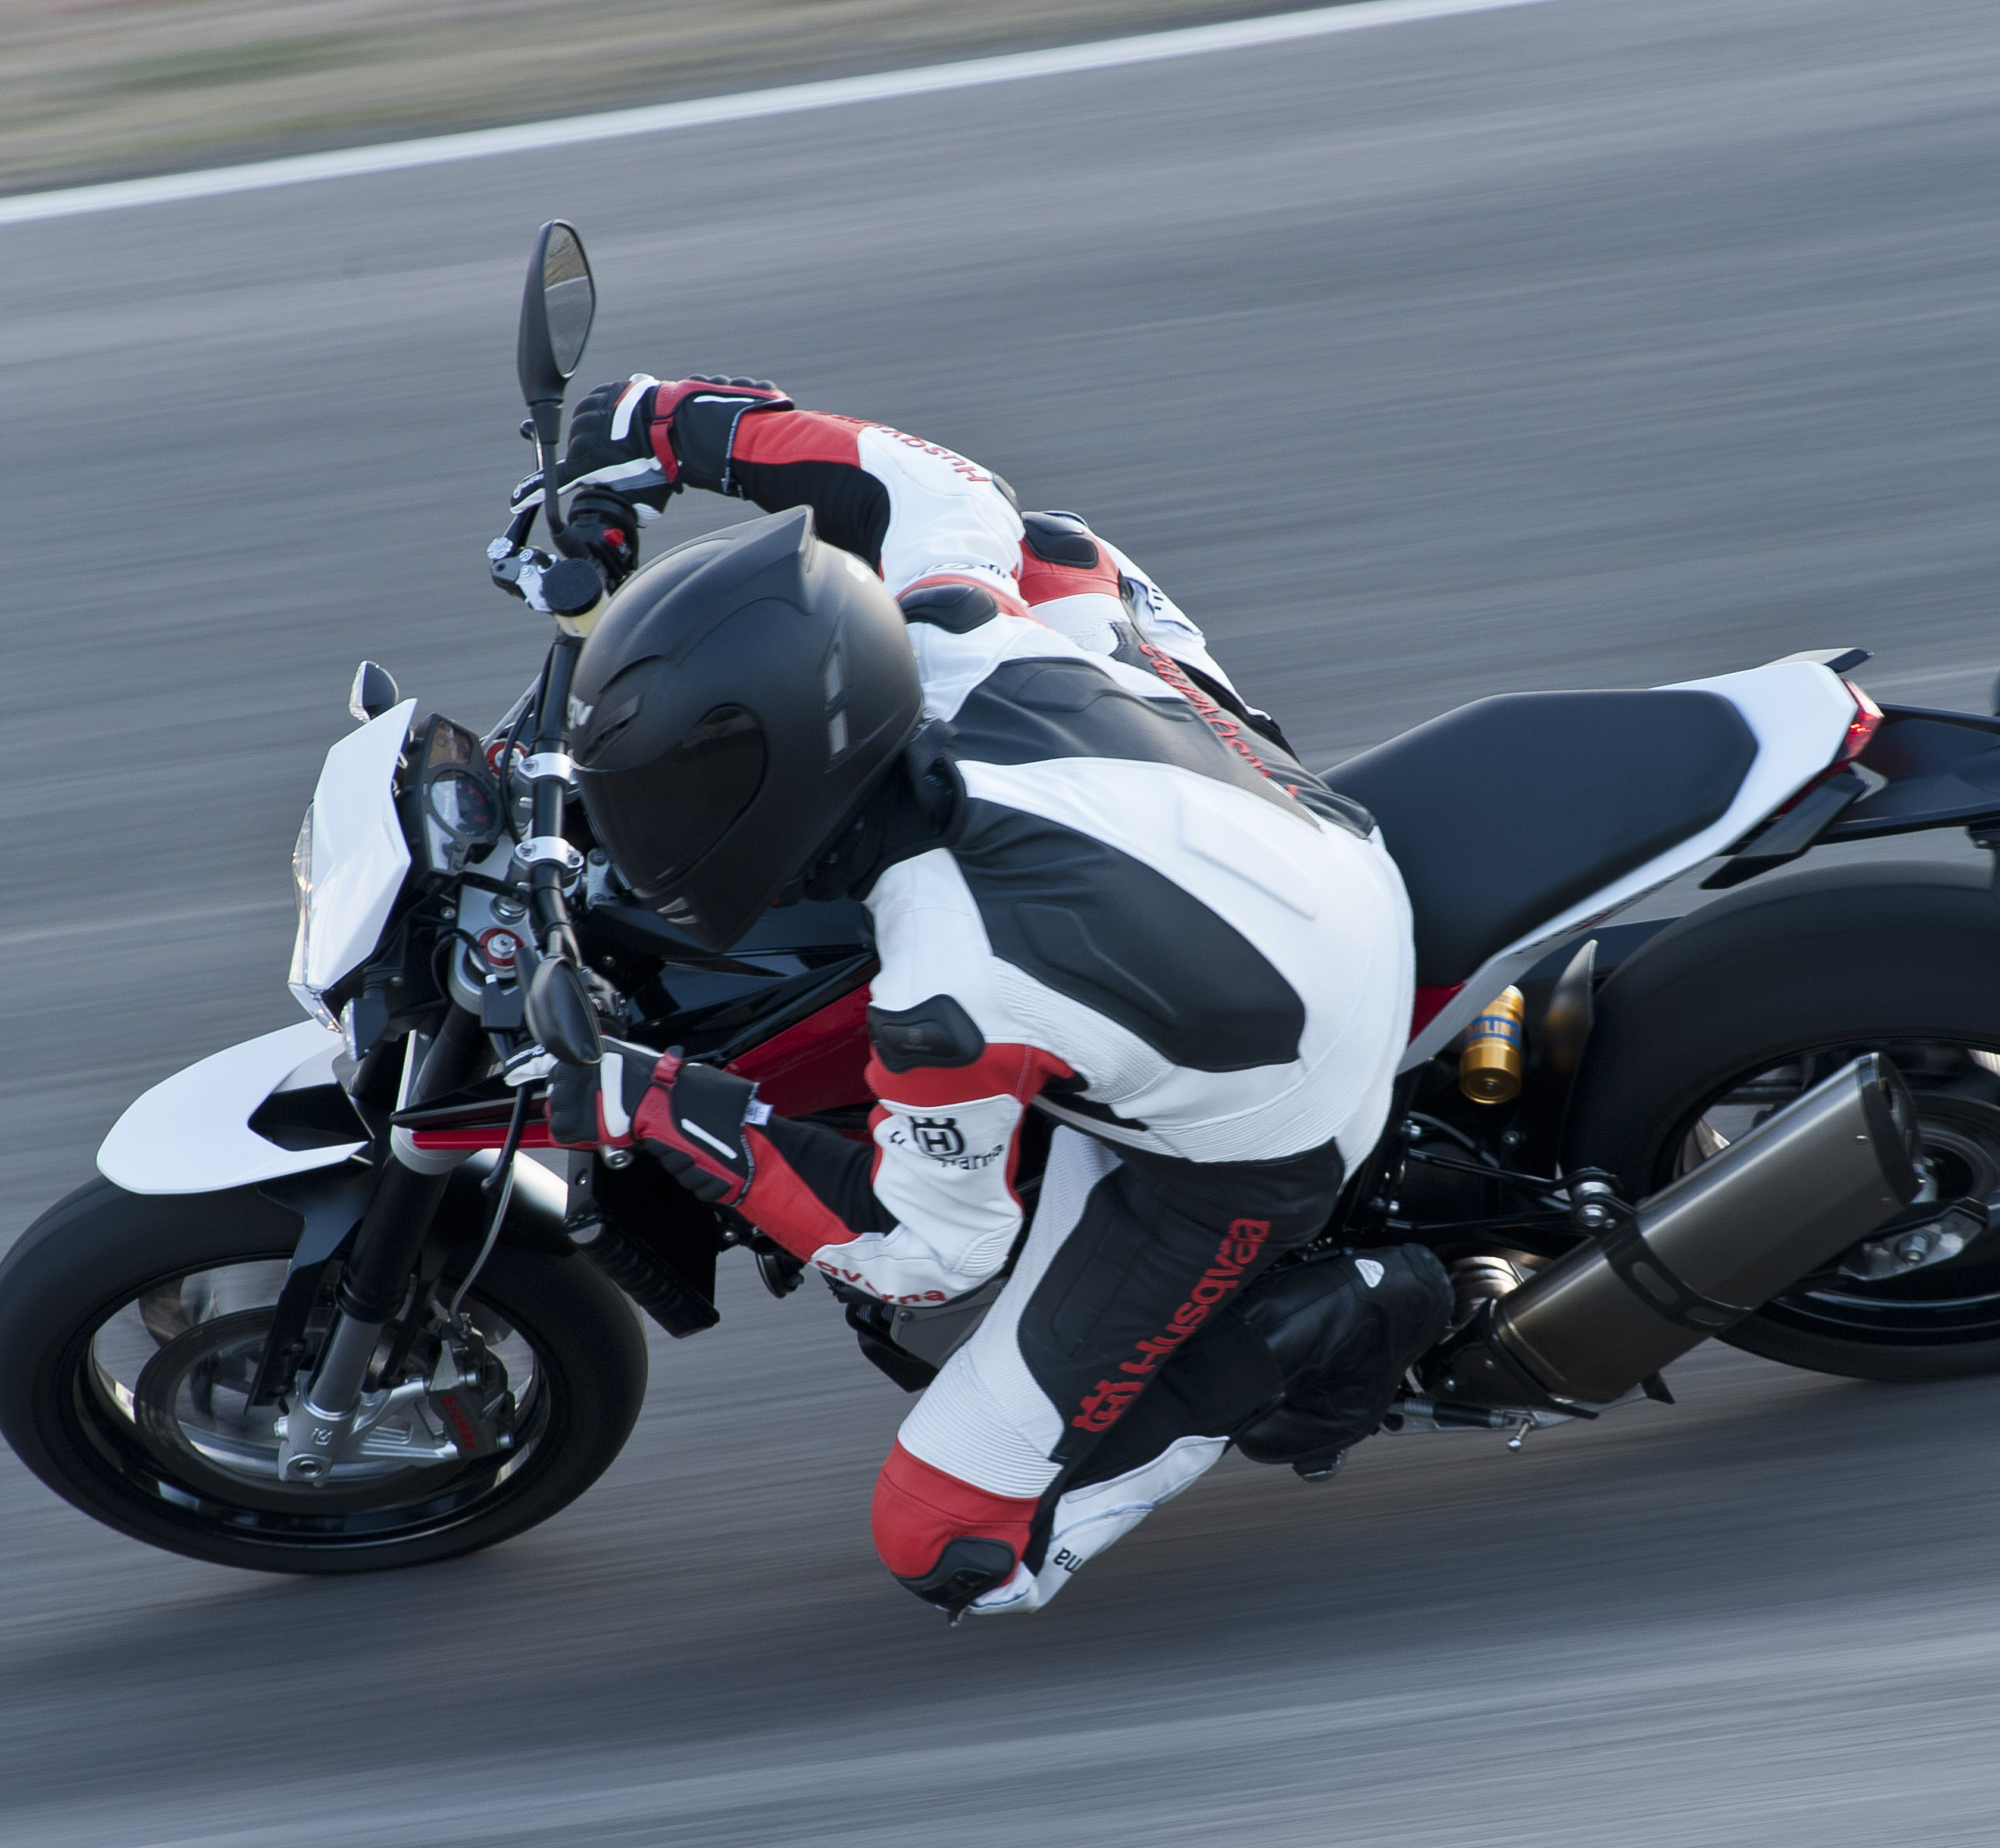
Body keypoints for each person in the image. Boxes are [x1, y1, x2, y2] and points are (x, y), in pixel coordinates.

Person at [535, 373, 1447, 1617]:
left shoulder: (950, 988)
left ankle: (1338, 1316)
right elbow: (933, 484)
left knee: (948, 1543)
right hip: (1290, 831)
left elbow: (920, 1255)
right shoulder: (949, 633)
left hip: (1272, 1120)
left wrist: (649, 1099)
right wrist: (674, 422)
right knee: (1052, 553)